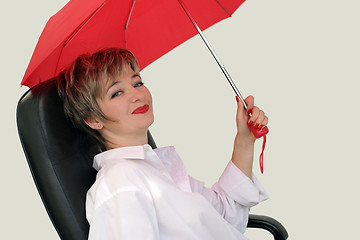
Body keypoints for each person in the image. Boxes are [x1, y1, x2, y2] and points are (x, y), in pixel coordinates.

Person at [57, 48, 269, 240]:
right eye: (117, 93)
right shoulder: (121, 183)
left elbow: (224, 216)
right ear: (94, 119)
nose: (137, 95)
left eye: (137, 83)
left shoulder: (157, 167)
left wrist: (244, 139)